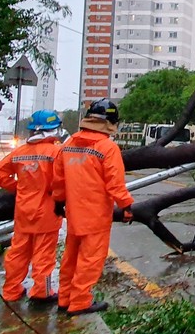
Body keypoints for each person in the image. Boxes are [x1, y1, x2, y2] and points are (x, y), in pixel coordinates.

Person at [52, 98, 134, 316]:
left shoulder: (68, 145)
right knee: (90, 260)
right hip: (96, 215)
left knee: (70, 257)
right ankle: (79, 302)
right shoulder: (107, 147)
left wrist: (59, 202)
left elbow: (58, 180)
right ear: (110, 122)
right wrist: (126, 206)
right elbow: (115, 184)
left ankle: (64, 298)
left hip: (74, 214)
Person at [0, 110, 65, 305]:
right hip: (48, 212)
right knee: (44, 256)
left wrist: (20, 188)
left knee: (18, 252)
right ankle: (42, 292)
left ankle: (11, 290)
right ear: (53, 129)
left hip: (23, 211)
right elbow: (63, 182)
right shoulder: (56, 153)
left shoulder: (19, 153)